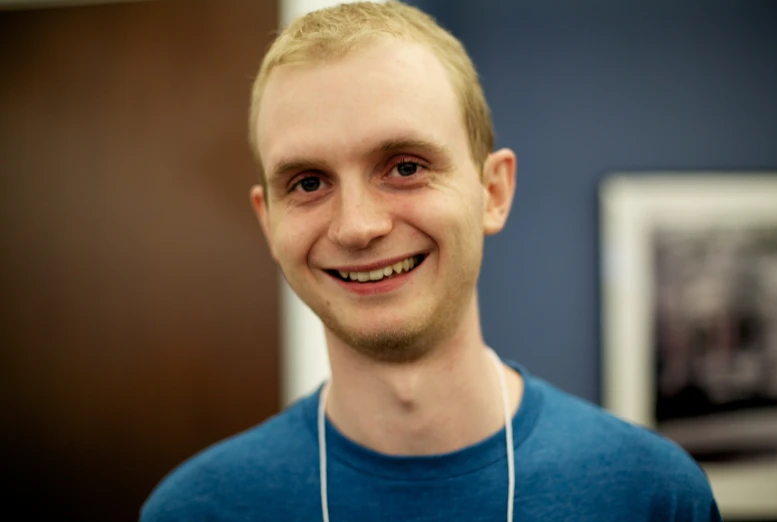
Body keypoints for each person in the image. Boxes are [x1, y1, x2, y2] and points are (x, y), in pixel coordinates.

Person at [141, 2, 722, 521]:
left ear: (492, 191)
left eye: (405, 166)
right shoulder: (196, 510)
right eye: (309, 181)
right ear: (269, 222)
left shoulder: (651, 496)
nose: (357, 227)